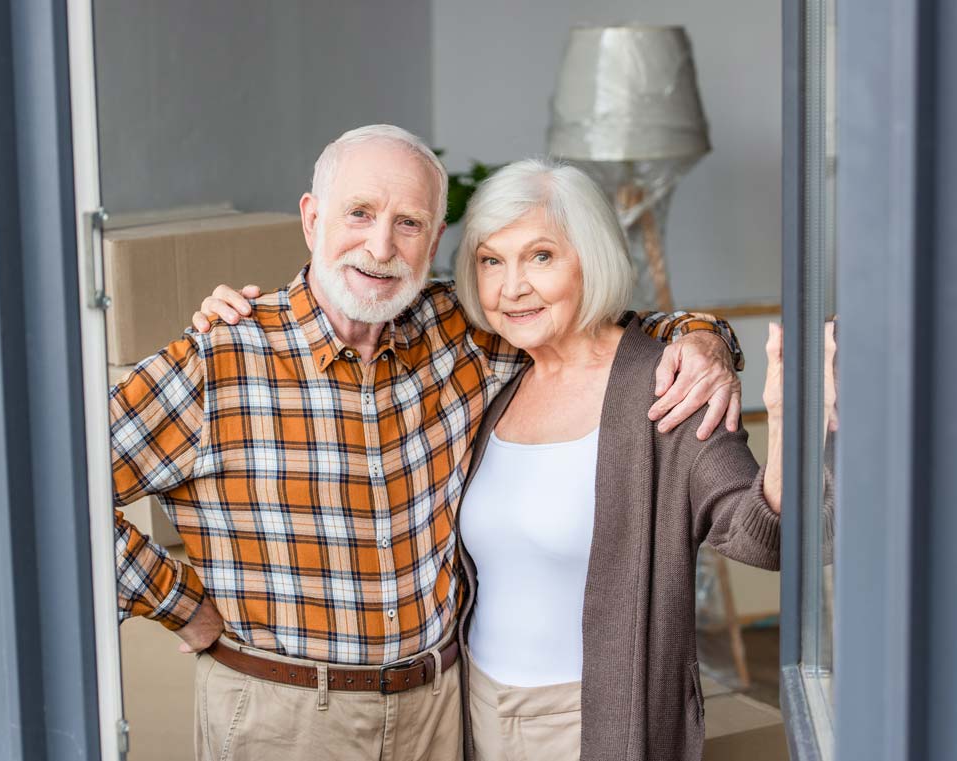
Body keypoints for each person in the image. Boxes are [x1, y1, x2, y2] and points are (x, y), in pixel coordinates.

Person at [112, 126, 744, 761]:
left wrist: (703, 338)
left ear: (434, 240)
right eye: (359, 213)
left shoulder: (459, 330)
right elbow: (47, 490)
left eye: (408, 223)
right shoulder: (221, 356)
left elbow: (588, 328)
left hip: (441, 710)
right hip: (287, 715)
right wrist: (180, 604)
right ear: (312, 219)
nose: (380, 245)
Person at [447, 158, 797, 761]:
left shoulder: (665, 384)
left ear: (594, 257)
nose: (511, 287)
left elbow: (760, 537)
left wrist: (789, 422)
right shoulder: (497, 380)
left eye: (540, 257)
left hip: (597, 719)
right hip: (478, 712)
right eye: (490, 261)